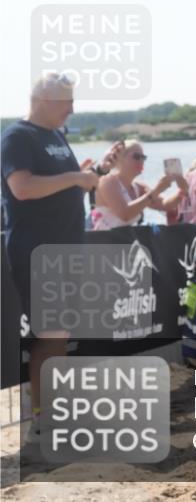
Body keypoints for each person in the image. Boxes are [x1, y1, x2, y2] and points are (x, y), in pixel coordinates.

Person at [1, 73, 123, 436]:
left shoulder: (56, 136)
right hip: (37, 250)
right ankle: (44, 416)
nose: (72, 109)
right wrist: (75, 178)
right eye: (65, 101)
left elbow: (68, 181)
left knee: (59, 334)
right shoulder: (17, 137)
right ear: (42, 99)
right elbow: (21, 188)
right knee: (51, 334)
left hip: (66, 247)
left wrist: (98, 170)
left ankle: (52, 411)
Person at [90, 140, 188, 229]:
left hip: (124, 243)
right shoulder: (107, 181)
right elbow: (125, 214)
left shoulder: (138, 187)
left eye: (143, 157)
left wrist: (182, 191)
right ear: (120, 159)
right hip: (105, 244)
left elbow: (165, 205)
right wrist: (157, 190)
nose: (141, 161)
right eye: (136, 157)